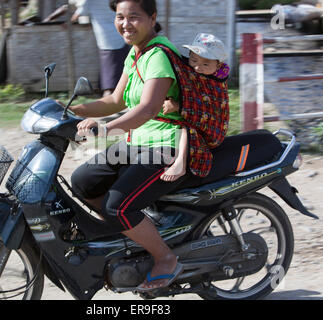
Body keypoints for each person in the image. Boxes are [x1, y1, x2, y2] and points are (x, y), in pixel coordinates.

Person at [68, 0, 188, 291]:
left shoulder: (158, 54)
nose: (125, 23)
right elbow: (114, 101)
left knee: (117, 206)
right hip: (137, 142)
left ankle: (165, 257)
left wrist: (106, 129)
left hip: (164, 146)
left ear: (152, 18)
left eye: (134, 17)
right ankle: (132, 235)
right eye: (120, 17)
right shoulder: (136, 54)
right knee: (83, 180)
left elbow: (148, 108)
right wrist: (70, 110)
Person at [160, 33, 229, 182]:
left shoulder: (215, 83)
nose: (198, 67)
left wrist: (178, 106)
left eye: (205, 64)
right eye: (194, 60)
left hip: (212, 128)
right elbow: (178, 64)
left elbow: (207, 109)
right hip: (191, 121)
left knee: (186, 127)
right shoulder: (191, 71)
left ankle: (180, 163)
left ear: (218, 65)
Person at [44, 0, 130, 97]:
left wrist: (69, 22)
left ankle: (109, 102)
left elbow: (81, 10)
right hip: (116, 36)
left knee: (111, 82)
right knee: (114, 74)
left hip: (109, 38)